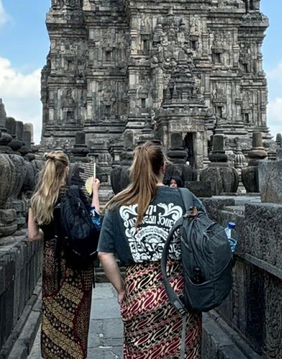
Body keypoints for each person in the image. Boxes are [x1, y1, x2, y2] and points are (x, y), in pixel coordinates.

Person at [98, 142, 203, 359]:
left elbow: (104, 253)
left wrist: (121, 289)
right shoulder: (185, 198)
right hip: (180, 289)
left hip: (138, 291)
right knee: (182, 352)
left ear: (134, 170)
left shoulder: (117, 204)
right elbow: (207, 239)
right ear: (163, 167)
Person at [28, 151, 101, 359]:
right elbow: (94, 222)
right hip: (76, 261)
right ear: (66, 170)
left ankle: (53, 354)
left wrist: (50, 233)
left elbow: (32, 235)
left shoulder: (37, 198)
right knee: (78, 314)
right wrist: (95, 191)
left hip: (52, 260)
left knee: (52, 312)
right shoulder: (74, 194)